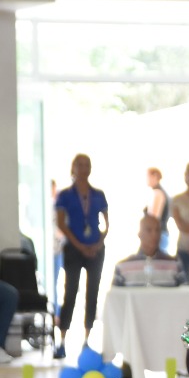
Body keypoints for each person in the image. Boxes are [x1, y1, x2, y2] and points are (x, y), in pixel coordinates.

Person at [54, 153, 109, 357]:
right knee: (70, 292)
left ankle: (87, 340)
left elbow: (106, 223)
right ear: (73, 168)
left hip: (95, 249)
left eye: (87, 164)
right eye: (80, 164)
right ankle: (61, 340)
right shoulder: (65, 195)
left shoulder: (98, 194)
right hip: (73, 250)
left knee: (92, 292)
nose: (83, 168)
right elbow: (61, 223)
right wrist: (78, 245)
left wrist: (98, 242)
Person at [113, 215, 186, 288]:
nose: (154, 235)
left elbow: (185, 295)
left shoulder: (174, 264)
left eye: (157, 230)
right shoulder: (123, 267)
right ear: (139, 234)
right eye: (149, 230)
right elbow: (116, 297)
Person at [146, 167, 171, 253]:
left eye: (148, 176)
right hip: (160, 235)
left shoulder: (158, 193)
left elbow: (154, 219)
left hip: (158, 236)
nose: (146, 179)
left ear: (155, 176)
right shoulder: (160, 192)